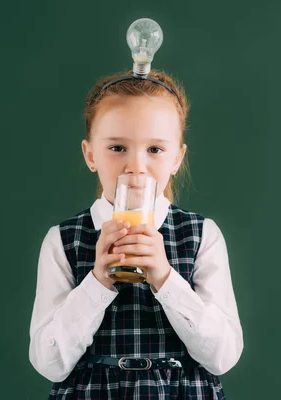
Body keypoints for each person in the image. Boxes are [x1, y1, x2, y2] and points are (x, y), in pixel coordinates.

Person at [29, 68, 244, 399]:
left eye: (154, 149)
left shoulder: (202, 235)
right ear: (90, 155)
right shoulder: (63, 240)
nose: (136, 166)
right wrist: (97, 281)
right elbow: (48, 363)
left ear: (177, 158)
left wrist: (165, 277)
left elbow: (223, 356)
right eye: (117, 147)